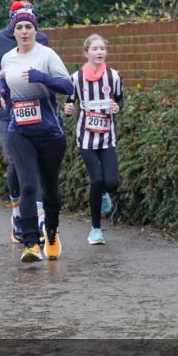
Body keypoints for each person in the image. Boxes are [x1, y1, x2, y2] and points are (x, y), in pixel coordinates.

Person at [0, 8, 74, 262]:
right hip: (20, 131)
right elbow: (5, 81)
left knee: (50, 187)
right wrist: (3, 93)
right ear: (13, 31)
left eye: (28, 27)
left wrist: (42, 77)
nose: (24, 32)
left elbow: (68, 86)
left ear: (35, 30)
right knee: (28, 185)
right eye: (19, 28)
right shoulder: (7, 58)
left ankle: (51, 233)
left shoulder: (46, 55)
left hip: (50, 132)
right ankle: (30, 243)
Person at [0, 0, 50, 244]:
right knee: (15, 165)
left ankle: (38, 220)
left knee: (36, 165)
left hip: (38, 112)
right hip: (9, 114)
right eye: (21, 16)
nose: (26, 22)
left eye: (30, 15)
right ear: (12, 19)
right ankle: (18, 213)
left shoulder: (42, 40)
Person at [64, 34, 123, 245]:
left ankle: (106, 194)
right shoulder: (75, 78)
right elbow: (69, 103)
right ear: (86, 53)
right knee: (96, 180)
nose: (100, 52)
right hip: (86, 137)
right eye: (95, 49)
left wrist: (117, 107)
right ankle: (96, 230)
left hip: (107, 137)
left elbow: (120, 99)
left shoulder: (114, 76)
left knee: (111, 182)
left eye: (102, 49)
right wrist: (68, 109)